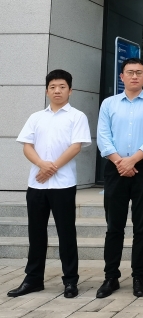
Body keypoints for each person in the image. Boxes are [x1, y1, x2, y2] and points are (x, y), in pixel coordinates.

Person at [9, 70, 91, 299]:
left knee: (66, 233)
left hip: (63, 185)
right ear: (46, 90)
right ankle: (33, 279)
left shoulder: (77, 116)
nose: (57, 91)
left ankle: (70, 281)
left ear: (70, 90)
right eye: (53, 87)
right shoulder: (36, 117)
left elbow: (76, 146)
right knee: (36, 233)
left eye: (62, 87)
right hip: (36, 185)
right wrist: (41, 165)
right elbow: (27, 146)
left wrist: (51, 168)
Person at [96, 57, 143, 298]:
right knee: (114, 226)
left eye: (139, 72)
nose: (134, 76)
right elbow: (103, 136)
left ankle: (139, 277)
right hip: (114, 168)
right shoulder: (109, 104)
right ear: (121, 76)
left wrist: (132, 160)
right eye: (130, 72)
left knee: (141, 226)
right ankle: (111, 277)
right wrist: (120, 162)